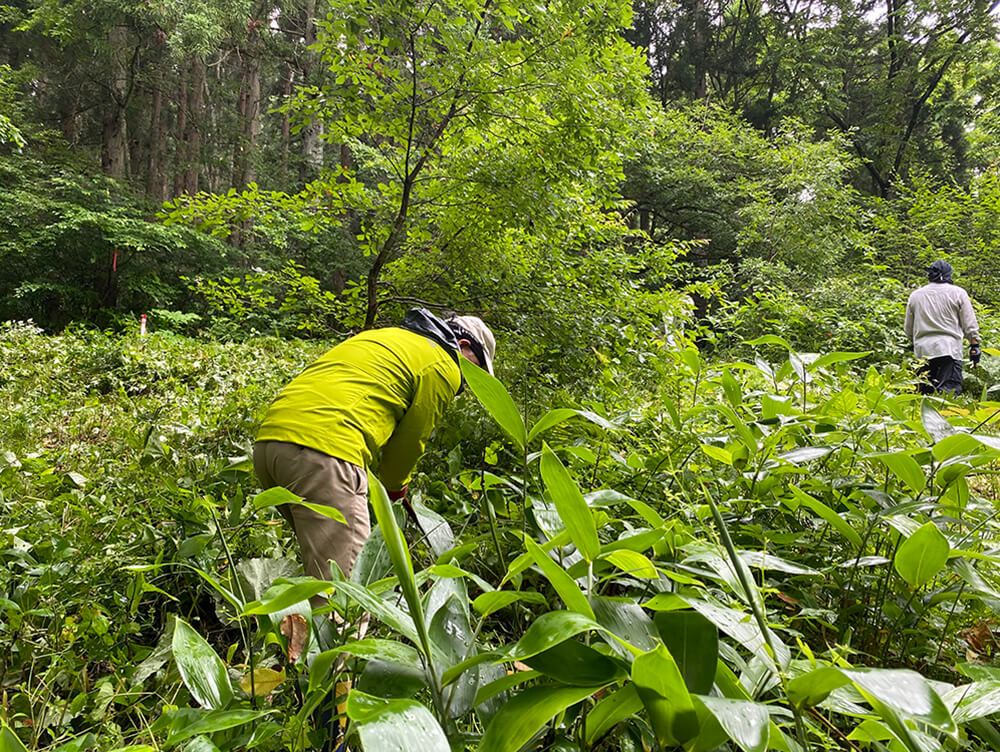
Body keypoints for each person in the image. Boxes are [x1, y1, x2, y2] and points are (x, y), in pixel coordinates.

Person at [253, 308, 496, 582]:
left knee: (320, 574)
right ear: (463, 346)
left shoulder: (387, 337)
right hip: (327, 452)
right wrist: (395, 488)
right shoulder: (444, 364)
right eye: (476, 371)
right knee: (347, 596)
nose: (469, 384)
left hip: (271, 446)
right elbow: (410, 441)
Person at [904, 259, 981, 395]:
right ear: (948, 275)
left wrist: (913, 342)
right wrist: (974, 346)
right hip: (949, 350)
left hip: (923, 351)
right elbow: (969, 324)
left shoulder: (916, 295)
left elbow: (908, 328)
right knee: (948, 395)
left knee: (923, 395)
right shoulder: (958, 293)